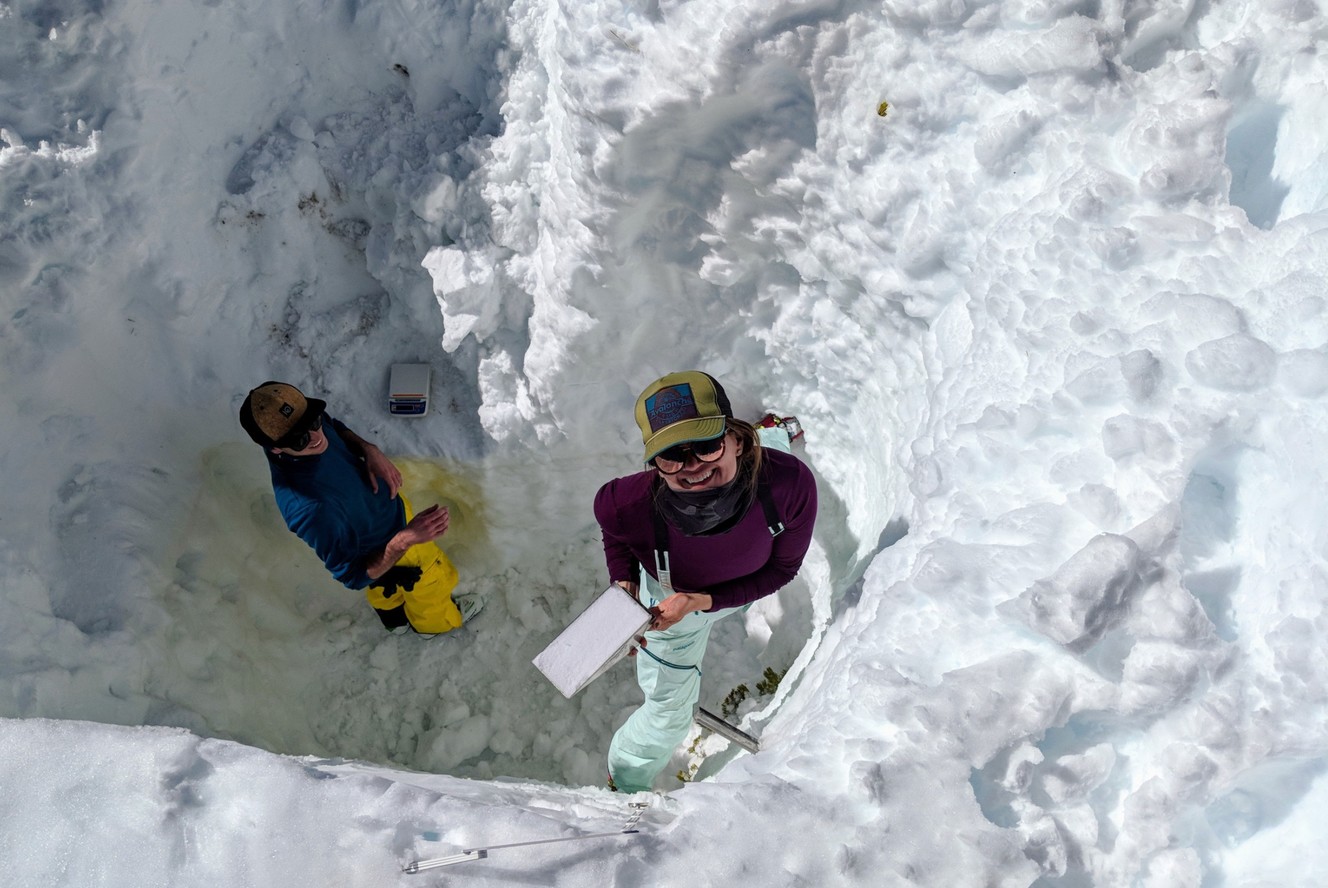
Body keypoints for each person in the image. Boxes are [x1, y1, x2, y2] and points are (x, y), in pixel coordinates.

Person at [594, 371, 817, 792]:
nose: (693, 467)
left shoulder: (790, 486)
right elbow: (616, 532)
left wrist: (704, 600)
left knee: (759, 467)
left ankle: (768, 434)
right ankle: (624, 787)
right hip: (670, 611)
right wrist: (625, 585)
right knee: (667, 715)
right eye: (671, 456)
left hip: (726, 590)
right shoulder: (626, 502)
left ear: (734, 437)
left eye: (707, 445)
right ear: (653, 462)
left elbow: (782, 570)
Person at [239, 381, 481, 635]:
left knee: (385, 585)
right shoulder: (310, 508)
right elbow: (354, 575)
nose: (316, 437)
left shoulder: (300, 424)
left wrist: (369, 449)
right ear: (274, 447)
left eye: (313, 421)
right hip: (396, 546)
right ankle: (436, 626)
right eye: (300, 440)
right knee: (433, 583)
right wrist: (406, 538)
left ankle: (394, 618)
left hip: (382, 521)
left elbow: (334, 427)